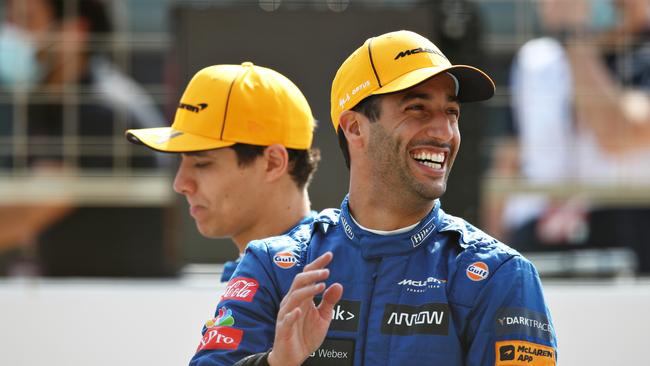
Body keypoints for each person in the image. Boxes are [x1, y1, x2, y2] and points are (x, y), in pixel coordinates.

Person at [190, 30, 557, 366]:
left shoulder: (498, 275)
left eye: (452, 113)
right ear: (354, 127)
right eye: (417, 108)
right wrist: (275, 364)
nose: (444, 132)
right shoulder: (274, 265)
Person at [0, 0, 168, 276]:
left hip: (113, 303)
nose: (11, 33)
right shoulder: (47, 103)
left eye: (26, 20)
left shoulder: (102, 109)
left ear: (75, 32)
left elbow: (25, 212)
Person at [490, 0, 650, 273]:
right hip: (537, 236)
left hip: (630, 239)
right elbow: (508, 165)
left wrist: (575, 37)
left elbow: (617, 134)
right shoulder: (536, 61)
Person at [126, 62, 320, 282]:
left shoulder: (331, 278)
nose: (180, 184)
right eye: (181, 160)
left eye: (202, 164)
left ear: (273, 163)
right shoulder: (262, 274)